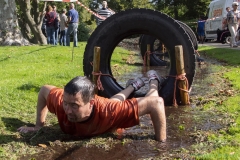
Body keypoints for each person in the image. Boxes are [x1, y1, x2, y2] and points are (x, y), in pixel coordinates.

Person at [17, 70, 167, 142]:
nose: (67, 110)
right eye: (65, 103)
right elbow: (44, 90)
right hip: (108, 106)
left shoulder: (111, 112)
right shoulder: (62, 101)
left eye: (74, 106)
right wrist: (38, 126)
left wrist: (161, 142)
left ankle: (154, 81)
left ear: (91, 103)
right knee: (114, 102)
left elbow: (157, 103)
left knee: (151, 96)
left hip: (109, 113)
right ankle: (133, 86)